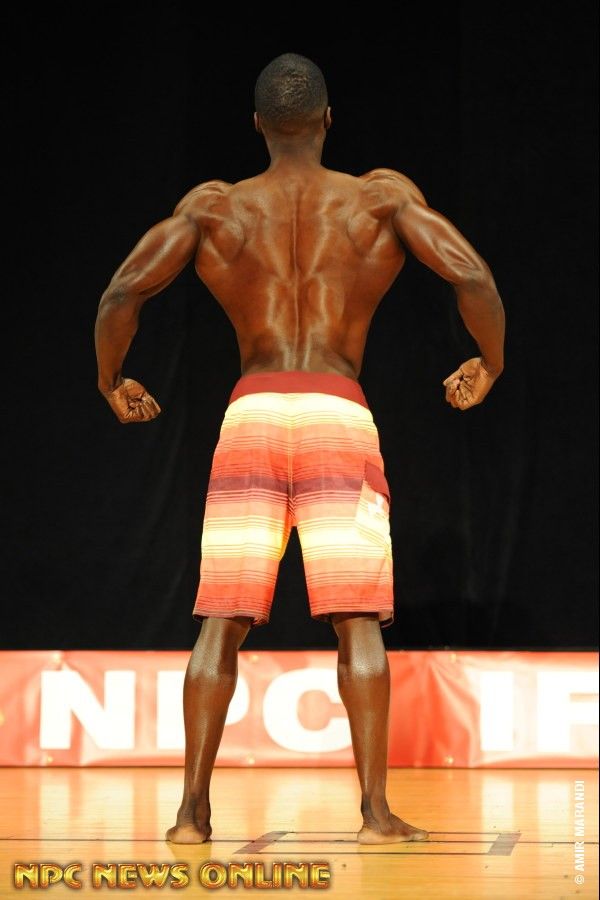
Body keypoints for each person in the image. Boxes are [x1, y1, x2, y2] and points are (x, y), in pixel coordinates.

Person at [94, 52, 505, 845]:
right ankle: (375, 814)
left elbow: (122, 292)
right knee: (357, 621)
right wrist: (489, 362)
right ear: (327, 119)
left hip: (251, 416)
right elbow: (472, 275)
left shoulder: (215, 209)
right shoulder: (379, 199)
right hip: (336, 416)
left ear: (257, 125)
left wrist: (111, 380)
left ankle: (191, 814)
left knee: (221, 620)